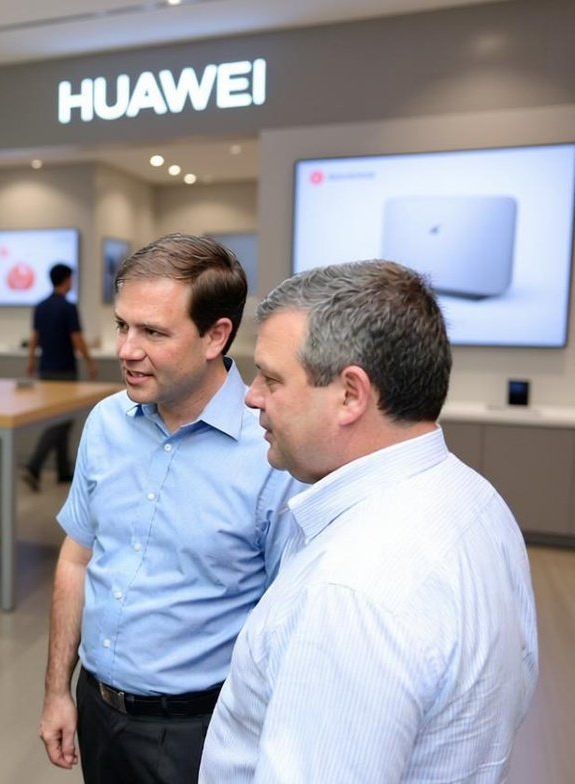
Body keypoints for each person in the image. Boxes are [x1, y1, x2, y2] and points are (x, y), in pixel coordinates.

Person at [200, 260, 539, 782]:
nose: (252, 397)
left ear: (350, 395)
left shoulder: (351, 593)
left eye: (271, 378)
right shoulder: (477, 500)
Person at [38, 234, 302, 784]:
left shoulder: (274, 455)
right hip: (96, 708)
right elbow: (76, 560)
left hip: (200, 732)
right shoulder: (106, 423)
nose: (127, 350)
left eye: (153, 332)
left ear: (216, 336)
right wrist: (58, 691)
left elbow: (292, 628)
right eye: (122, 326)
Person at [22, 262, 98, 490]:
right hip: (64, 371)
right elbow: (76, 339)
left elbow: (34, 337)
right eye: (71, 278)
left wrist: (31, 361)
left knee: (61, 419)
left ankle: (63, 471)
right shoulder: (68, 307)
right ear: (66, 280)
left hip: (46, 370)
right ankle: (34, 466)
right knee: (61, 421)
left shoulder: (41, 306)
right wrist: (90, 361)